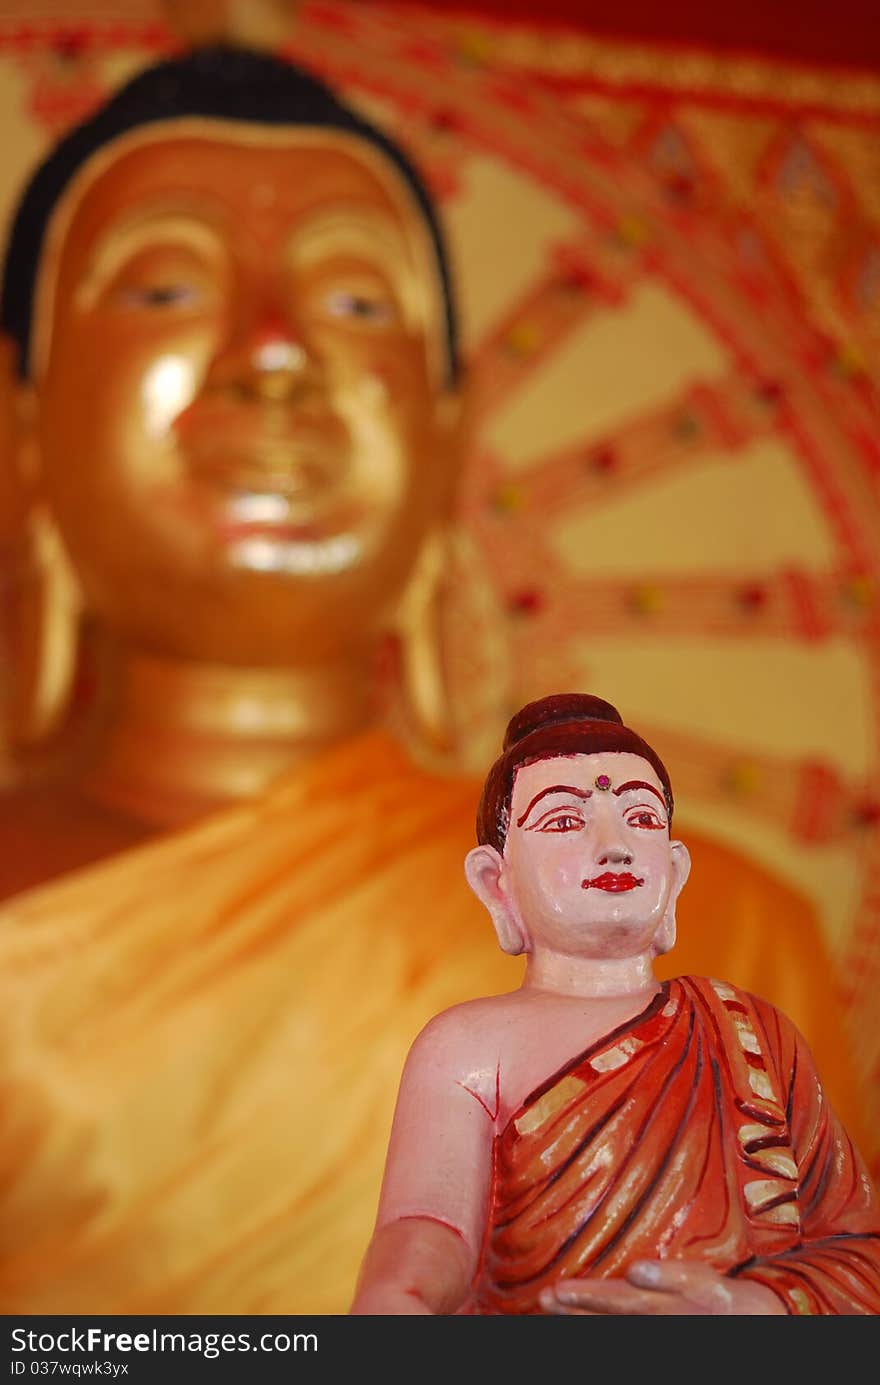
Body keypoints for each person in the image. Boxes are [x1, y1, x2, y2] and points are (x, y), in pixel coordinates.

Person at [0, 47, 867, 1314]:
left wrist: (754, 1315)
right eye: (165, 286)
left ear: (447, 429)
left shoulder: (742, 956)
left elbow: (842, 1277)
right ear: (21, 423)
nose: (279, 353)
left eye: (358, 304)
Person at [351, 694, 880, 1316]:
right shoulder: (468, 1047)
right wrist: (398, 1295)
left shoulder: (751, 1036)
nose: (616, 846)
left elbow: (858, 1253)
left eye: (643, 817)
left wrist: (749, 1305)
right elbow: (431, 1227)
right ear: (497, 883)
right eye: (563, 822)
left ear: (676, 873)